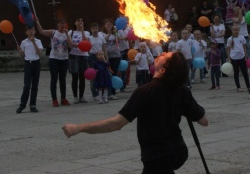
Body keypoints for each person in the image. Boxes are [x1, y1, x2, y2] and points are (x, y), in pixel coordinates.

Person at [62, 51, 208, 174]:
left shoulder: (145, 92)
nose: (161, 53)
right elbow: (203, 121)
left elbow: (116, 123)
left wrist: (79, 128)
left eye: (165, 55)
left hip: (157, 156)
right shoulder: (182, 90)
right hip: (178, 151)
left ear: (163, 69)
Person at [35, 17, 73, 107]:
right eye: (60, 23)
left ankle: (63, 98)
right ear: (57, 24)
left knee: (62, 79)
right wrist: (37, 22)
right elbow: (41, 31)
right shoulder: (53, 32)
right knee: (54, 79)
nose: (62, 25)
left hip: (64, 59)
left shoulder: (67, 34)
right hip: (54, 59)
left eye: (64, 23)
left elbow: (71, 45)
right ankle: (54, 99)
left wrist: (67, 35)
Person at [16, 26, 43, 114]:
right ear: (26, 32)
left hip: (36, 63)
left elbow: (39, 53)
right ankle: (22, 105)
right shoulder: (24, 42)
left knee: (35, 85)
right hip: (28, 63)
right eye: (29, 30)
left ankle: (33, 105)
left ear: (34, 31)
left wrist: (33, 42)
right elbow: (23, 56)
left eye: (32, 30)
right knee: (27, 85)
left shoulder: (38, 41)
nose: (31, 32)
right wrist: (20, 51)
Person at [69, 17, 90, 104]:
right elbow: (70, 43)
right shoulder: (71, 32)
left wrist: (82, 31)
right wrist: (76, 45)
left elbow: (86, 41)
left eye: (81, 21)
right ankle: (75, 97)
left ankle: (81, 96)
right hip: (74, 55)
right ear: (75, 23)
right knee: (75, 77)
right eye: (78, 21)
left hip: (83, 55)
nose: (80, 23)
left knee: (82, 77)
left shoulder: (86, 32)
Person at [99, 19, 121, 100]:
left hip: (116, 56)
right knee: (107, 74)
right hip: (107, 56)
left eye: (110, 24)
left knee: (114, 74)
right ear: (104, 25)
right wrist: (108, 33)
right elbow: (103, 40)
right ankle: (106, 93)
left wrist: (115, 32)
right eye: (107, 24)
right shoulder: (101, 33)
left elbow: (118, 40)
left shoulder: (115, 33)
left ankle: (113, 92)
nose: (109, 26)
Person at [226, 25, 250, 92]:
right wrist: (229, 58)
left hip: (241, 57)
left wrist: (245, 56)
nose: (235, 31)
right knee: (236, 72)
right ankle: (238, 87)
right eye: (234, 30)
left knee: (245, 72)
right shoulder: (230, 39)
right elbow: (228, 49)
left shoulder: (242, 38)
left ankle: (248, 86)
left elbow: (244, 47)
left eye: (237, 30)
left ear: (239, 30)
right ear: (232, 31)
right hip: (234, 58)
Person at [88, 22, 107, 100]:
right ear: (91, 30)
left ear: (98, 29)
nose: (95, 30)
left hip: (101, 57)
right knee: (93, 75)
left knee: (102, 74)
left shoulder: (101, 37)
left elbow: (104, 48)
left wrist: (105, 57)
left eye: (96, 28)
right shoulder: (89, 38)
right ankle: (94, 94)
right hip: (92, 57)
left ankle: (103, 93)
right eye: (93, 28)